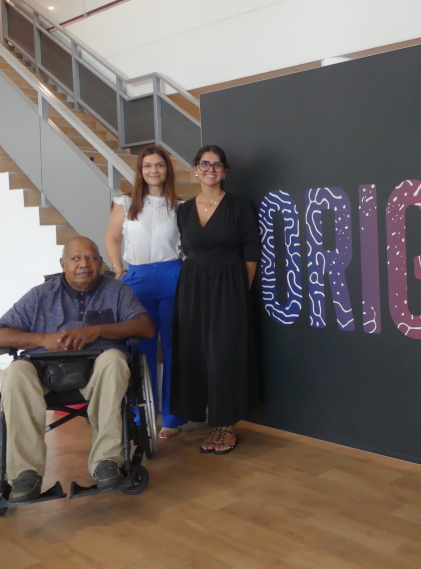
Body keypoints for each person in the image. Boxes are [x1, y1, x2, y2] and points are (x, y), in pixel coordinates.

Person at [0, 237, 154, 501]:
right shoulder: (39, 295)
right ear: (63, 264)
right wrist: (43, 340)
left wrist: (97, 330)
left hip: (97, 369)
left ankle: (106, 462)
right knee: (14, 374)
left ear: (100, 262)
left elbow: (145, 327)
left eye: (91, 258)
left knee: (115, 360)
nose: (84, 264)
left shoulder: (117, 291)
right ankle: (25, 474)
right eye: (75, 258)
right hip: (44, 371)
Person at [171, 145, 259, 455]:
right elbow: (186, 248)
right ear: (196, 169)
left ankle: (227, 424)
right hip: (193, 285)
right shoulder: (183, 210)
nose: (211, 169)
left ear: (224, 171)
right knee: (195, 350)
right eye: (205, 164)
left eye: (217, 164)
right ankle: (206, 419)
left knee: (224, 352)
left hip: (229, 283)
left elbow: (251, 251)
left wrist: (240, 290)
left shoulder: (239, 206)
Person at [105, 145, 187, 439]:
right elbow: (113, 238)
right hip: (137, 277)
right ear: (140, 170)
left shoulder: (180, 206)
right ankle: (142, 415)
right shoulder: (125, 203)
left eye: (160, 165)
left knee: (175, 346)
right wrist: (118, 269)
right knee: (140, 348)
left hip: (172, 275)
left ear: (167, 170)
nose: (154, 170)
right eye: (148, 165)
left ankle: (173, 417)